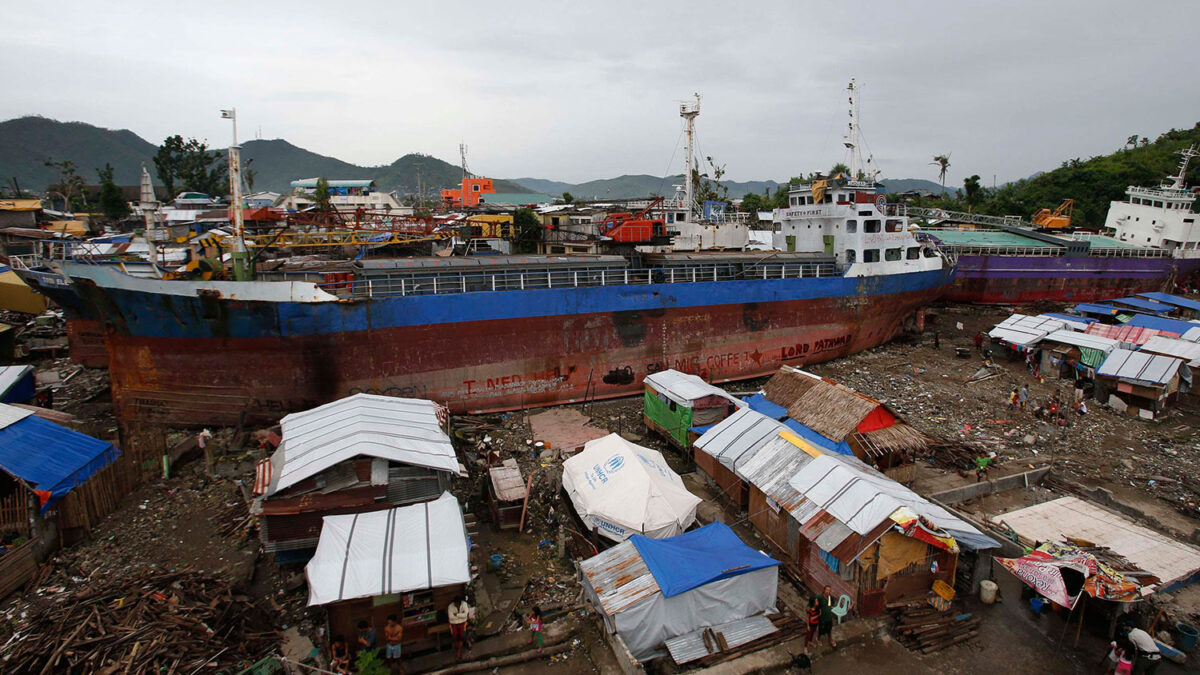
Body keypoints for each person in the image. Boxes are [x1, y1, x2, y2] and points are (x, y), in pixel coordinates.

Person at [448, 595, 471, 661]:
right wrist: (461, 615)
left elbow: (465, 615)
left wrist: (457, 615)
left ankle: (459, 651)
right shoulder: (450, 606)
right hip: (453, 623)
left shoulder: (464, 604)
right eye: (456, 604)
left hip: (462, 622)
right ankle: (458, 650)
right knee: (454, 636)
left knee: (462, 635)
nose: (457, 605)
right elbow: (451, 617)